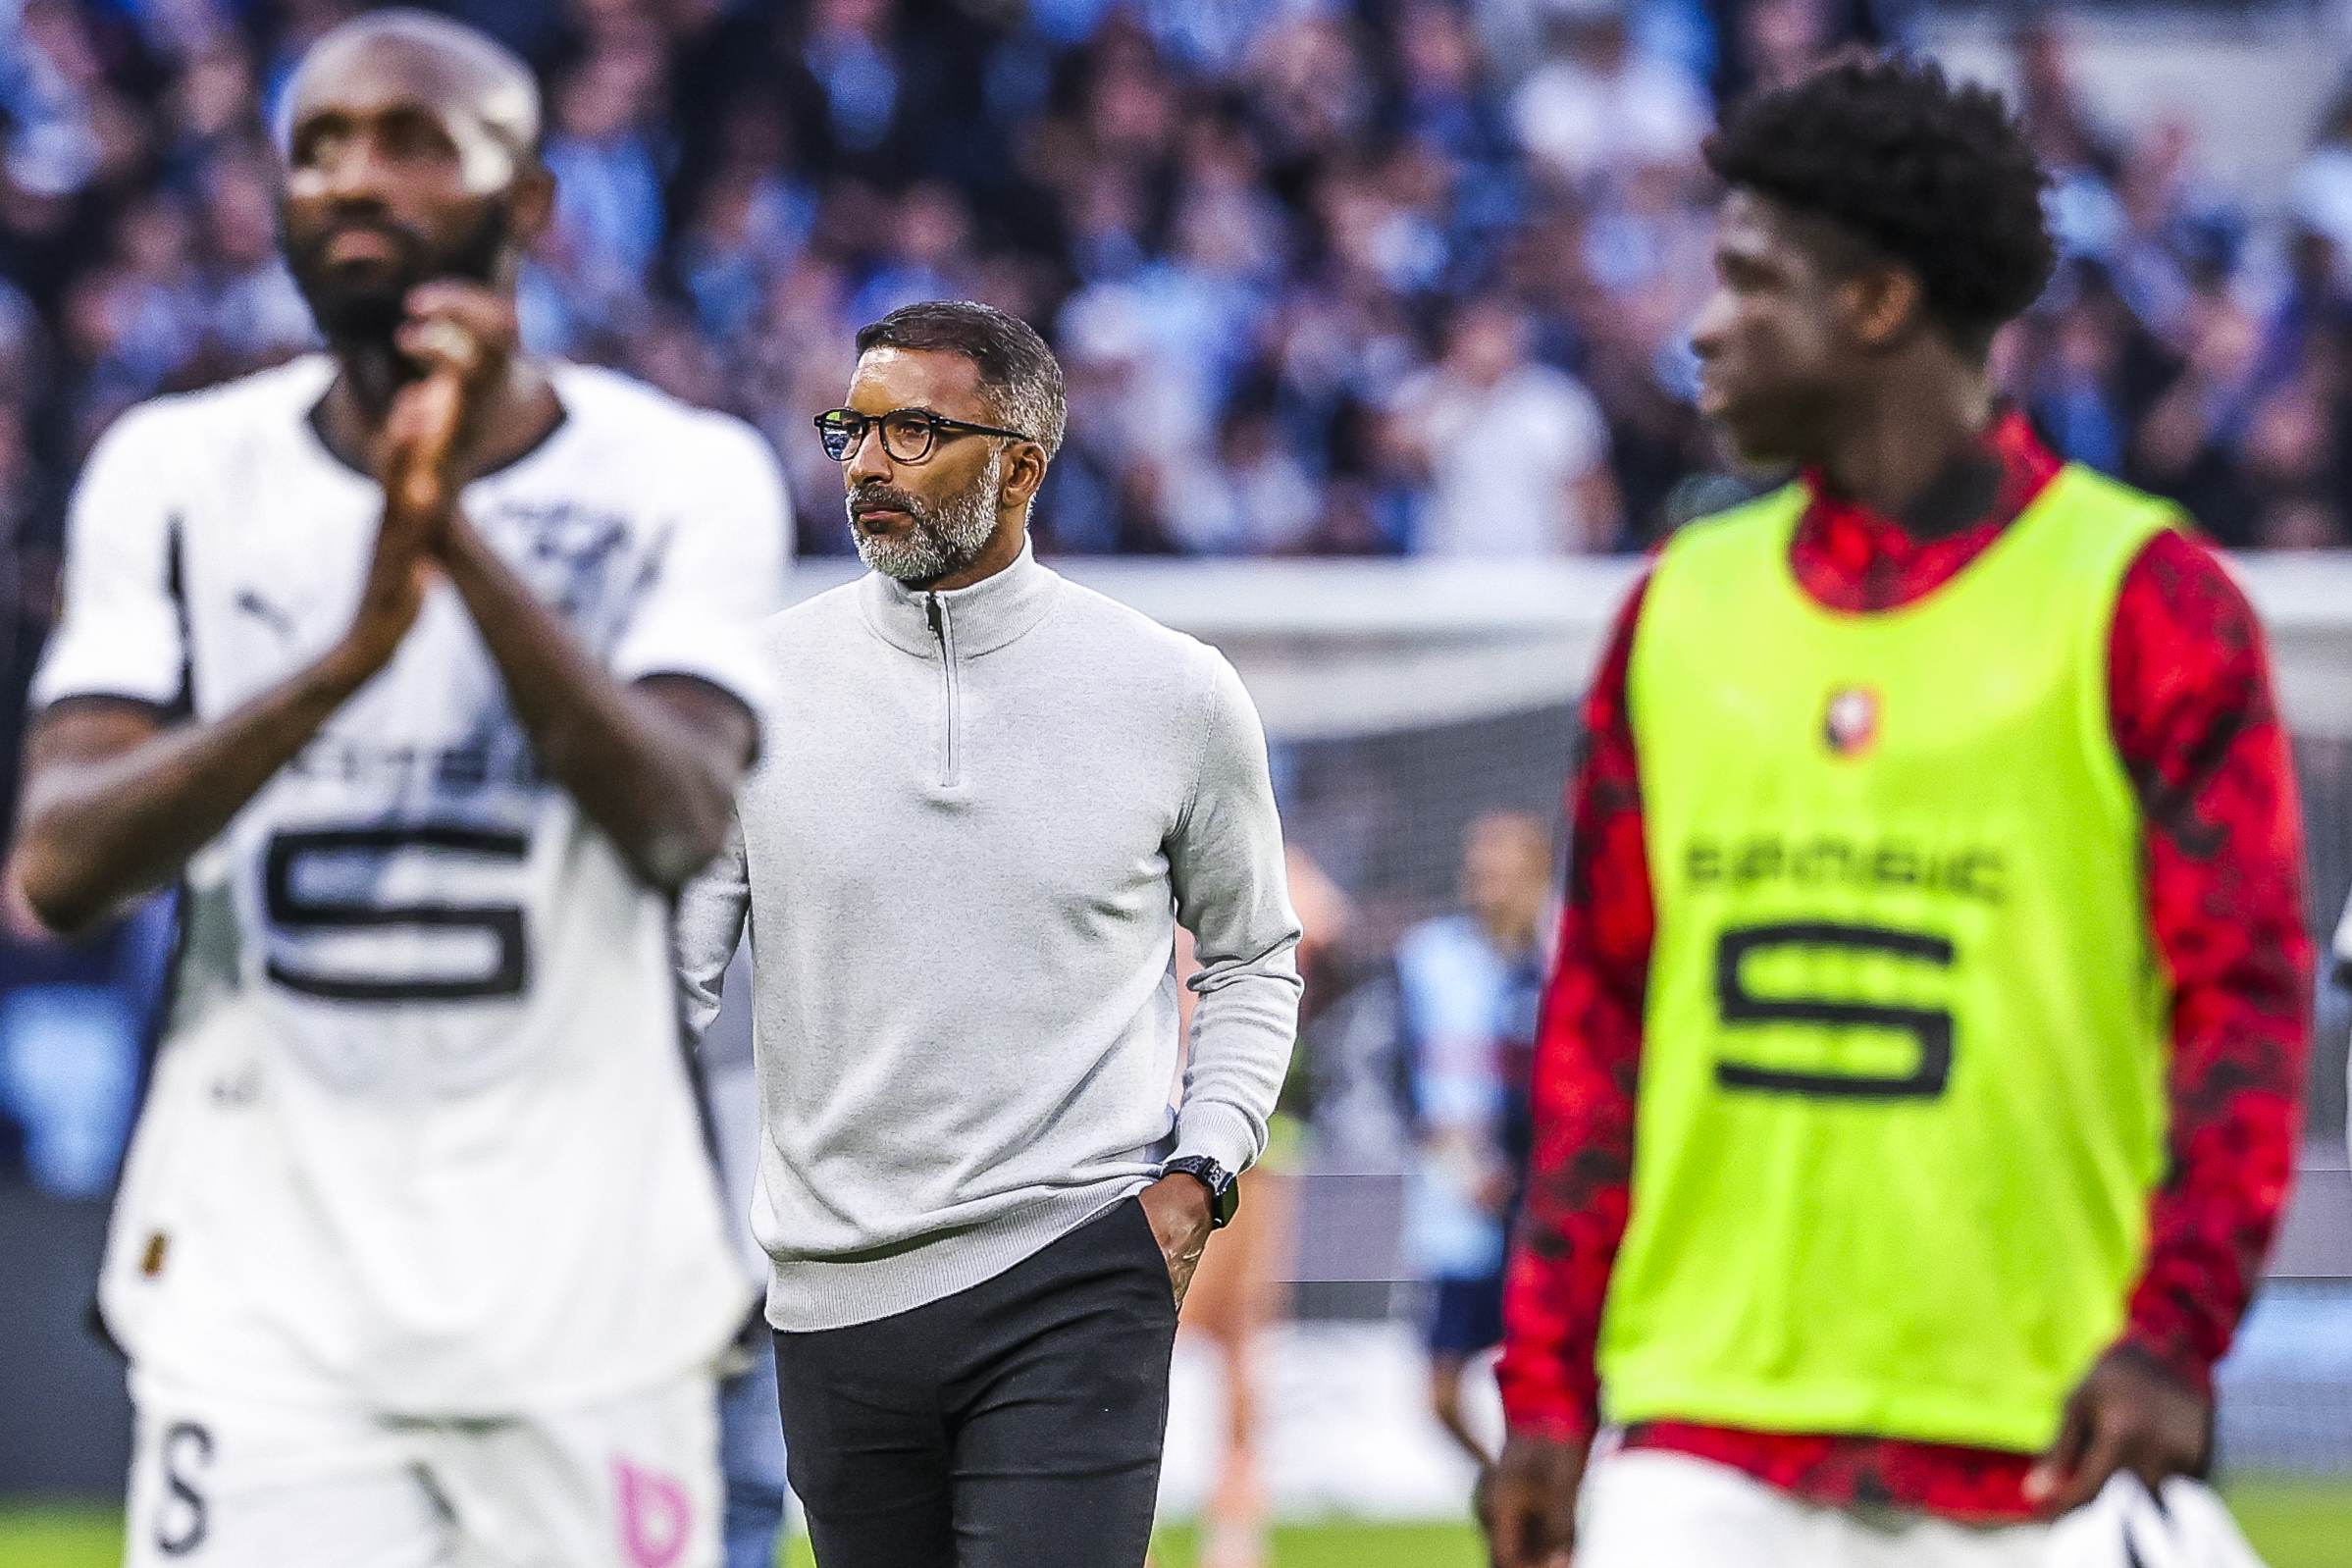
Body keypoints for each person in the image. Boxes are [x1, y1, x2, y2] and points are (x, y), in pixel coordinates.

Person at [1483, 54, 2312, 1568]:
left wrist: (2170, 1338)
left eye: (1745, 280)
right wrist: (1545, 1392)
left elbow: (2243, 1013)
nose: (1701, 325)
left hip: (2043, 1435)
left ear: (1872, 303)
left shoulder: (2149, 602)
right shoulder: (1676, 612)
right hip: (1702, 1442)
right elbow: (1597, 1018)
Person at [9, 13, 789, 1563]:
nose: (355, 177)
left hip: (590, 1320)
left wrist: (454, 548)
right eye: (318, 146)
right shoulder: (174, 472)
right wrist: (347, 655)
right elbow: (63, 857)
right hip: (260, 1317)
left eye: (415, 142)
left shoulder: (680, 474)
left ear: (533, 201)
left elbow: (675, 818)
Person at [675, 298, 1302, 1568]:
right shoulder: (750, 693)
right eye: (851, 429)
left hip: (1075, 1261)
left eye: (912, 431)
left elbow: (1252, 955)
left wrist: (1203, 1171)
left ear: (1020, 464)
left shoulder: (1172, 690)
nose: (863, 464)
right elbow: (658, 982)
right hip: (828, 1285)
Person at [1394, 809, 1553, 1474]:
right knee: (1440, 1388)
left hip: (1544, 1211)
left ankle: (1550, 1493)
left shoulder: (1563, 960)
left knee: (1547, 1383)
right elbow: (1403, 1084)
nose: (1486, 882)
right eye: (1478, 869)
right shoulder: (1428, 959)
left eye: (1503, 871)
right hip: (1458, 1210)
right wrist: (1464, 1167)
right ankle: (1503, 1484)